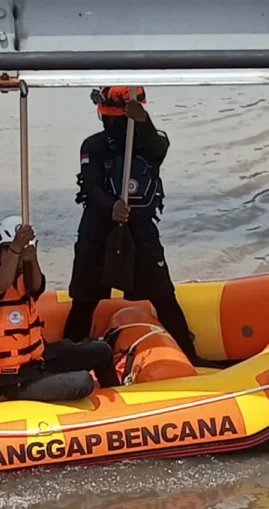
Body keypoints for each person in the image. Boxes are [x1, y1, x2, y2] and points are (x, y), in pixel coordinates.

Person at [63, 86, 200, 365]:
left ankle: (193, 359)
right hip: (98, 228)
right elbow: (90, 184)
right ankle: (68, 359)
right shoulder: (93, 145)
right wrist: (111, 206)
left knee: (164, 296)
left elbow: (159, 148)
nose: (111, 122)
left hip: (140, 229)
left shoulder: (151, 142)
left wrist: (142, 120)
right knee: (84, 300)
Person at [0, 216, 119, 403]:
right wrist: (16, 248)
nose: (14, 258)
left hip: (39, 360)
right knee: (83, 380)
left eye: (18, 251)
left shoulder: (25, 279)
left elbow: (36, 285)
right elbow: (1, 285)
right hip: (11, 379)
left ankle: (120, 402)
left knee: (101, 350)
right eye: (7, 250)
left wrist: (31, 257)